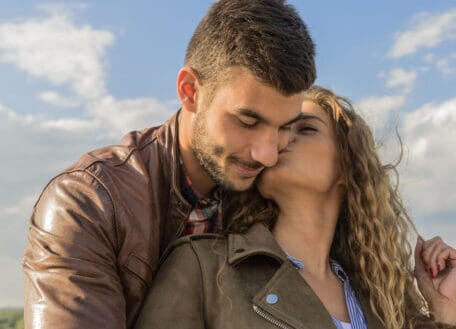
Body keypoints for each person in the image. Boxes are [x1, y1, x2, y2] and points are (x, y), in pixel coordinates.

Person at [22, 1, 316, 328]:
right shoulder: (87, 204)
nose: (267, 155)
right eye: (247, 121)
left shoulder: (269, 195)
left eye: (285, 127)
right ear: (190, 92)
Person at [134, 86, 456, 328]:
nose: (280, 140)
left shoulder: (383, 296)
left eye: (306, 129)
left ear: (348, 167)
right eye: (278, 130)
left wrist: (444, 312)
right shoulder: (203, 267)